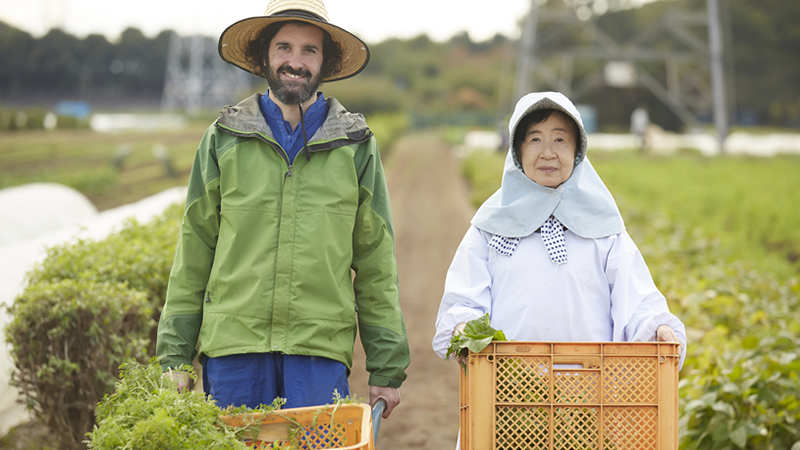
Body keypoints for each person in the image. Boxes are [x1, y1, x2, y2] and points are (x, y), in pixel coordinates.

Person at [156, 0, 409, 419]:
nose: (296, 61)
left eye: (310, 50)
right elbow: (194, 250)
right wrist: (175, 356)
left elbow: (376, 260)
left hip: (318, 349)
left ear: (325, 62)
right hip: (234, 349)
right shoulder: (223, 139)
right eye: (284, 48)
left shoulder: (356, 145)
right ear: (265, 58)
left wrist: (386, 364)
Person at [432, 92, 686, 369]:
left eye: (560, 140)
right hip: (508, 391)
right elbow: (465, 300)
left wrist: (658, 329)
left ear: (578, 152)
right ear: (517, 151)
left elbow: (637, 302)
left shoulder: (603, 228)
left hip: (592, 393)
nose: (548, 153)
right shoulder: (492, 227)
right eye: (535, 139)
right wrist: (461, 327)